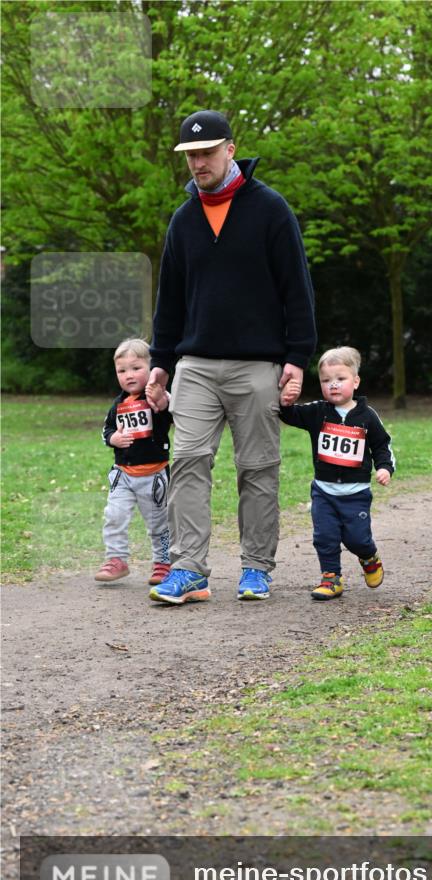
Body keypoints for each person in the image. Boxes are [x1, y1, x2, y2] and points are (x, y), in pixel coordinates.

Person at [146, 110, 317, 605]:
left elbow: (297, 288)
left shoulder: (270, 209)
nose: (198, 163)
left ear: (230, 149)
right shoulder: (183, 220)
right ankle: (189, 569)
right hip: (195, 364)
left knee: (258, 468)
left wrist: (297, 355)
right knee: (189, 461)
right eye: (190, 156)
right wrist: (160, 361)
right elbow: (170, 300)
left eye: (205, 152)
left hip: (257, 365)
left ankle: (257, 568)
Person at [279, 347, 395, 600]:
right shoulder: (317, 412)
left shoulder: (367, 416)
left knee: (357, 539)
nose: (333, 385)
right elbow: (290, 415)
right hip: (324, 491)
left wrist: (385, 468)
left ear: (355, 381)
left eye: (340, 379)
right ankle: (331, 579)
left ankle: (369, 557)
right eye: (325, 380)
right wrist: (285, 401)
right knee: (325, 537)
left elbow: (382, 445)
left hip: (356, 493)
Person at [95, 338, 172, 585]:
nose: (129, 375)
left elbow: (168, 410)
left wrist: (161, 399)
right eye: (122, 371)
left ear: (152, 368)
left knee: (159, 523)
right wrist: (113, 438)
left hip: (154, 475)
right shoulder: (117, 404)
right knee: (114, 516)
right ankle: (116, 559)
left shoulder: (158, 397)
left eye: (136, 368)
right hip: (123, 475)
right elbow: (106, 430)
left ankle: (163, 563)